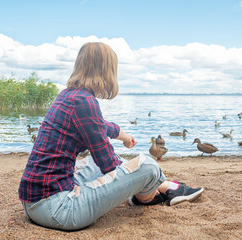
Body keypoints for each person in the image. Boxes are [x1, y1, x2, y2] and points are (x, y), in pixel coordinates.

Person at [18, 42, 204, 231]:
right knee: (148, 165)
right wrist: (138, 178)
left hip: (35, 202)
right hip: (59, 209)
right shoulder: (85, 102)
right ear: (107, 70)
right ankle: (151, 194)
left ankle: (160, 187)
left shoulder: (68, 95)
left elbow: (98, 126)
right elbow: (108, 164)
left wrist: (123, 136)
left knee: (95, 162)